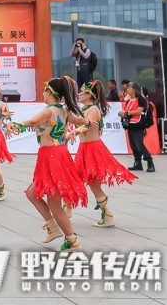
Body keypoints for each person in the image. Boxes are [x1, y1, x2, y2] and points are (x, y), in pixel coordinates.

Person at [7, 77, 88, 251]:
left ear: (50, 92)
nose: (43, 94)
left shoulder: (50, 110)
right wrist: (88, 122)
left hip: (53, 157)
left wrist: (14, 124)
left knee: (54, 203)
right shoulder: (63, 111)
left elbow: (32, 122)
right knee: (32, 193)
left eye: (44, 90)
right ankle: (53, 228)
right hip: (53, 155)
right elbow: (79, 121)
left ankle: (72, 240)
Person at [68, 80, 137, 228]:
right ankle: (69, 209)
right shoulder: (85, 109)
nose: (78, 94)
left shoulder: (93, 109)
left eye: (81, 91)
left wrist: (75, 130)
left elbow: (87, 127)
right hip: (85, 148)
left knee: (91, 184)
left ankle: (105, 215)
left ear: (89, 94)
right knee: (81, 180)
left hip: (93, 150)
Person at [119, 82, 154, 172]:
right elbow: (125, 111)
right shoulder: (128, 100)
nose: (127, 90)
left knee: (139, 145)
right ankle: (138, 163)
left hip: (138, 125)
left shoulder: (141, 99)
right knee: (133, 145)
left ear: (134, 89)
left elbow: (138, 111)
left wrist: (127, 113)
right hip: (130, 125)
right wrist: (121, 113)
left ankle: (150, 162)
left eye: (129, 88)